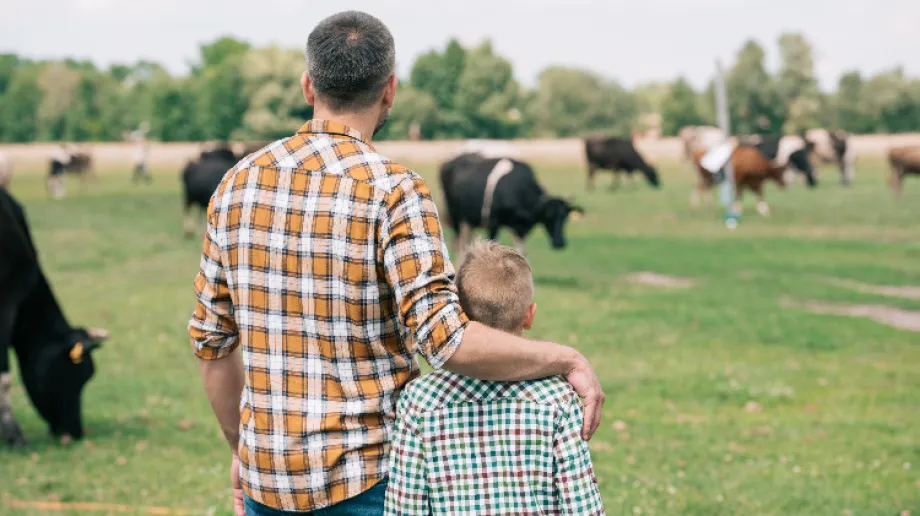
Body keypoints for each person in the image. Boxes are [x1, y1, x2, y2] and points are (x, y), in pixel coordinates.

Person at [188, 11, 604, 516]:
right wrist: (567, 359)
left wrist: (242, 450)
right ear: (390, 90)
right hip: (375, 483)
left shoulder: (235, 184)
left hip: (265, 485)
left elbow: (212, 343)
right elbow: (446, 339)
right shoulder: (396, 191)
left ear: (307, 85)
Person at [386, 241, 605, 515]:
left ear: (459, 314)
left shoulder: (419, 401)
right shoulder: (558, 400)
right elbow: (582, 506)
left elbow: (405, 507)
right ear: (529, 316)